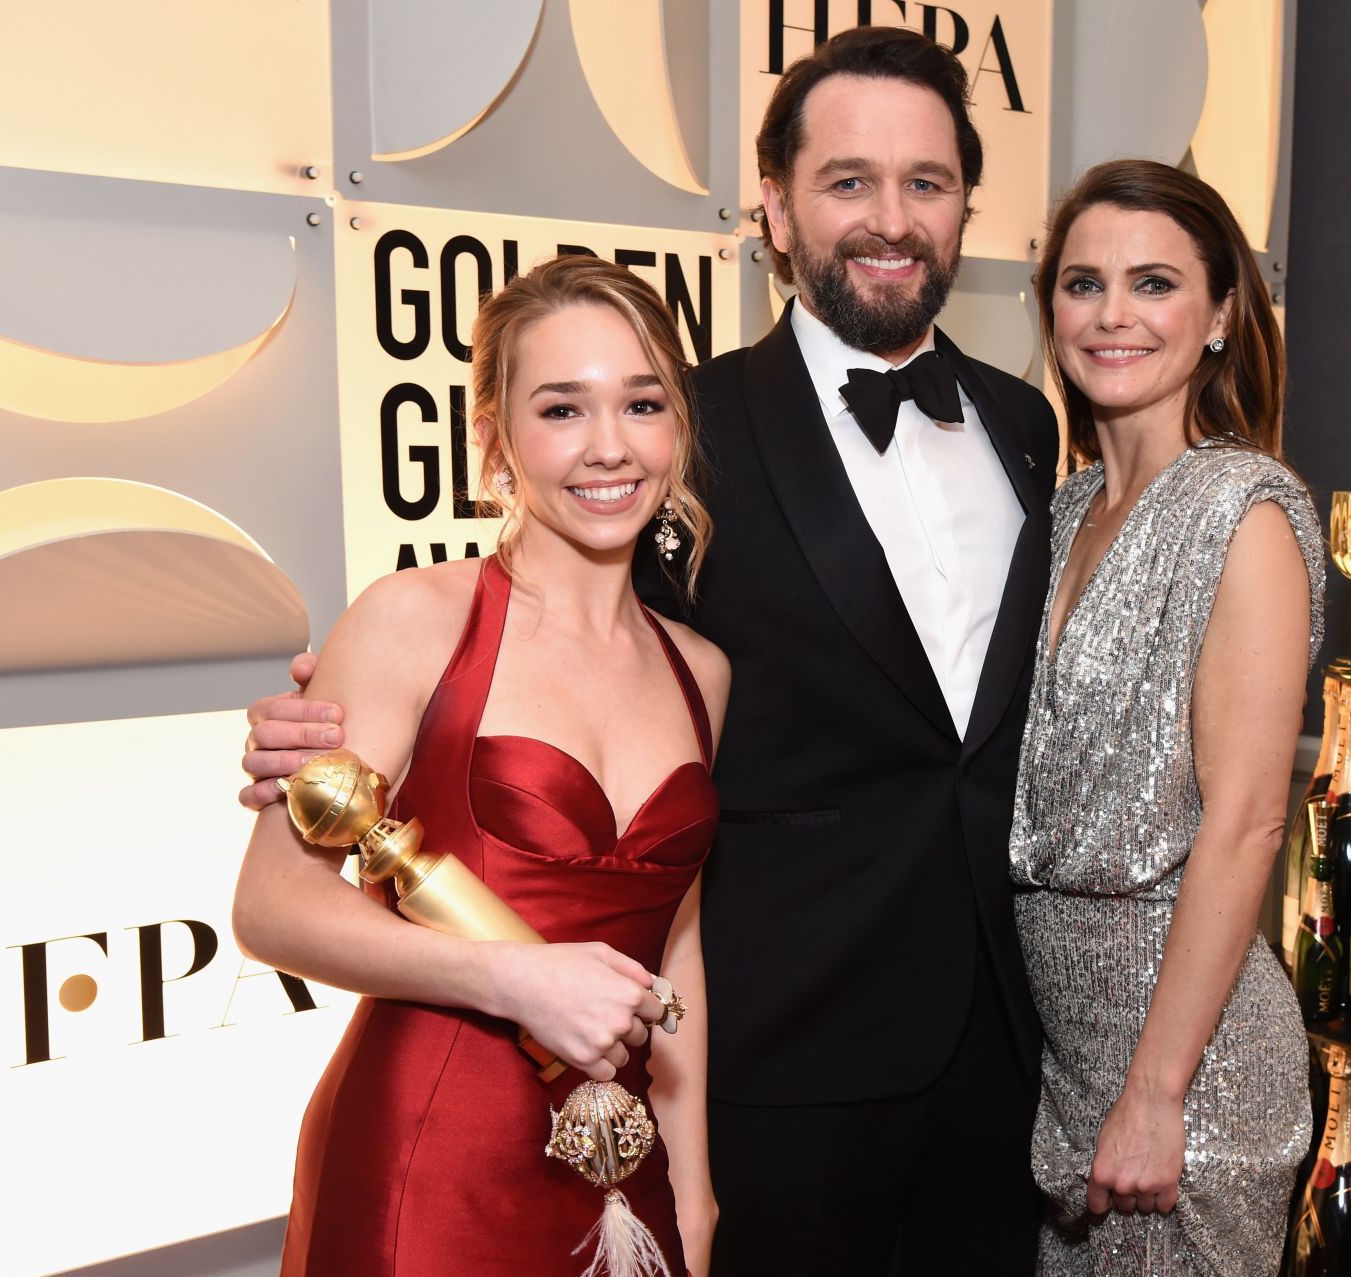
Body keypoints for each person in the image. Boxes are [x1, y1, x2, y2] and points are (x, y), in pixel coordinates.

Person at [241, 26, 1056, 1274]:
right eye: (848, 181)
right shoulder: (704, 425)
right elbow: (474, 681)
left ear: (963, 206)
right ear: (775, 209)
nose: (891, 218)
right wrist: (308, 738)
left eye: (927, 182)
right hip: (776, 1076)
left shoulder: (1023, 421)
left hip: (996, 1055)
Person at [230, 254, 729, 1276]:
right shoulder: (416, 618)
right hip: (430, 1146)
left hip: (619, 1159)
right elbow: (271, 906)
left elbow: (674, 945)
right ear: (495, 439)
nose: (609, 447)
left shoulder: (702, 669)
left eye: (642, 402)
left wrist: (693, 1177)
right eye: (561, 408)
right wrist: (513, 977)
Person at [1010, 159, 1322, 1275]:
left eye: (1153, 283)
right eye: (1083, 283)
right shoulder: (1063, 510)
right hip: (1065, 1050)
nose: (1113, 315)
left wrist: (1157, 1090)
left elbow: (1246, 820)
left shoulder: (1244, 511)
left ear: (1223, 313)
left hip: (1192, 1067)